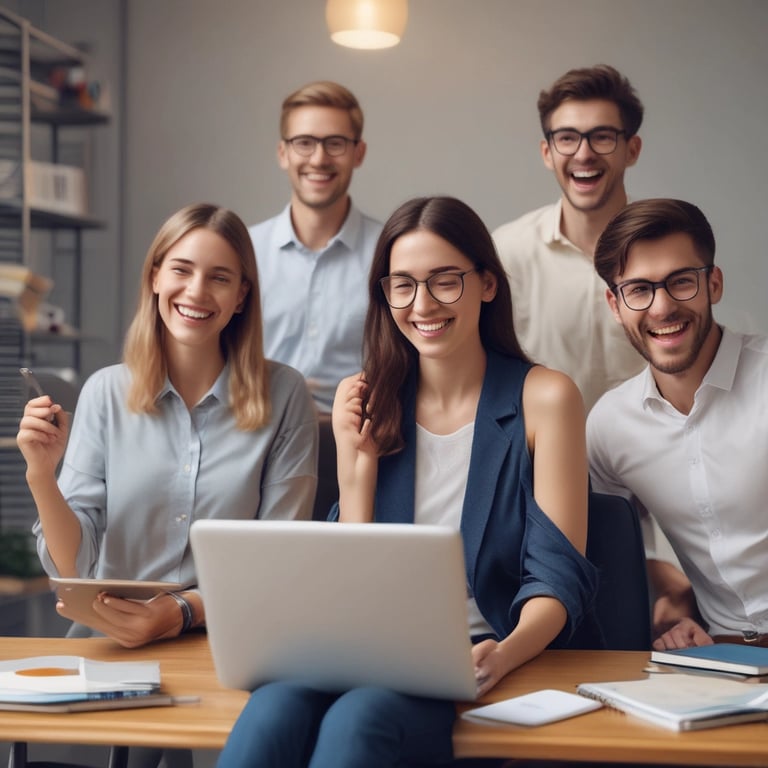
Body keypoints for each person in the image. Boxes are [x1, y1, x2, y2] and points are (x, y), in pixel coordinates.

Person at [217, 196, 598, 768]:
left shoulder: (545, 397)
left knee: (358, 719)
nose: (422, 304)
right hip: (362, 645)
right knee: (272, 708)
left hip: (481, 651)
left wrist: (505, 654)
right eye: (402, 285)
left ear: (487, 284)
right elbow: (343, 583)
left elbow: (557, 575)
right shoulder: (370, 397)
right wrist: (358, 466)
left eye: (445, 281)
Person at [17, 202, 318, 648]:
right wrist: (41, 475)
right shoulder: (105, 393)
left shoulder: (285, 394)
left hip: (230, 642)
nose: (196, 291)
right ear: (155, 277)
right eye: (182, 270)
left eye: (219, 277)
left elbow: (278, 558)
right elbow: (73, 567)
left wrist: (181, 610)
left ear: (241, 296)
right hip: (109, 643)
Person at [587, 198, 768, 650]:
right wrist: (677, 597)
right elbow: (606, 550)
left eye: (681, 282)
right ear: (615, 303)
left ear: (715, 284)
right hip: (720, 654)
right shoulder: (610, 426)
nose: (662, 307)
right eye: (639, 290)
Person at [492, 64, 645, 412]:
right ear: (548, 152)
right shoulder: (507, 250)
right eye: (567, 138)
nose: (583, 153)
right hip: (539, 458)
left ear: (632, 150)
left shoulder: (667, 248)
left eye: (602, 136)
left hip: (649, 457)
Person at [249, 80, 383, 414]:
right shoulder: (243, 251)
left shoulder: (391, 252)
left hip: (362, 440)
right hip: (258, 433)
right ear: (283, 153)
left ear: (359, 153)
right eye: (304, 143)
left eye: (335, 143)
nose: (319, 158)